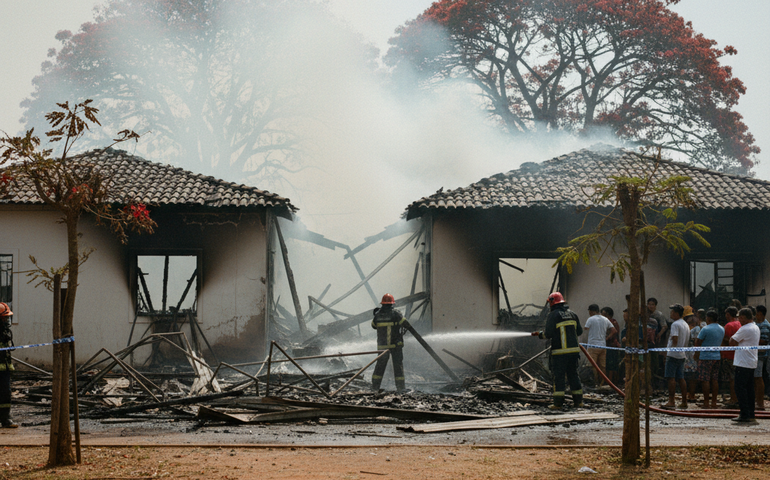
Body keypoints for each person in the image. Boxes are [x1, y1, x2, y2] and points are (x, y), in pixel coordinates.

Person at [533, 292, 583, 410]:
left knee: (559, 377)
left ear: (552, 302)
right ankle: (579, 402)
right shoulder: (573, 314)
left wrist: (539, 334)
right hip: (574, 352)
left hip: (560, 353)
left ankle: (558, 404)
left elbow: (548, 334)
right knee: (573, 375)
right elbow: (579, 332)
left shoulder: (553, 315)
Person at [371, 293, 411, 391]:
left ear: (383, 304)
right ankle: (400, 388)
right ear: (392, 304)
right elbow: (406, 324)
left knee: (379, 367)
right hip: (395, 346)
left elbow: (373, 326)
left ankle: (375, 387)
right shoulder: (396, 314)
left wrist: (376, 314)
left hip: (382, 346)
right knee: (398, 367)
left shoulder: (378, 315)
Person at [729, 307, 760, 423]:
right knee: (749, 389)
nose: (739, 320)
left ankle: (744, 414)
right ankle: (750, 413)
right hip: (751, 361)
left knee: (740, 388)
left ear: (743, 317)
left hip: (743, 362)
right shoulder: (755, 327)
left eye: (740, 318)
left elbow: (732, 342)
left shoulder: (745, 328)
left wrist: (733, 336)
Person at [662, 303, 690, 409]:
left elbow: (675, 339)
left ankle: (671, 401)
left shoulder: (675, 325)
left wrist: (669, 352)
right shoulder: (685, 324)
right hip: (682, 354)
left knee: (671, 378)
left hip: (673, 354)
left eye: (672, 311)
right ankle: (684, 401)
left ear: (677, 313)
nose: (671, 313)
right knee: (681, 378)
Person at [695, 310, 725, 409]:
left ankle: (706, 402)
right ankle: (714, 402)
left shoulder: (705, 329)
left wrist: (696, 354)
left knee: (705, 380)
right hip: (717, 356)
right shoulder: (721, 329)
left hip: (705, 357)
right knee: (714, 379)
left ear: (708, 318)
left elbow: (698, 342)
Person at [584, 304, 616, 387]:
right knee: (602, 366)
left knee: (593, 365)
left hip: (592, 345)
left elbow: (586, 328)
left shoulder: (590, 319)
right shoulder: (605, 319)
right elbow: (614, 330)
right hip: (602, 346)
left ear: (591, 311)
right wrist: (607, 337)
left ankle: (595, 383)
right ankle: (602, 383)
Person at [0, 302, 17, 428]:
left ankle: (6, 418)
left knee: (5, 393)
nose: (7, 320)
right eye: (5, 317)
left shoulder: (5, 332)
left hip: (4, 368)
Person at [720, 306, 741, 407]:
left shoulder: (728, 326)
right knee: (736, 378)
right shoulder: (740, 324)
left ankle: (734, 399)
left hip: (729, 355)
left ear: (728, 315)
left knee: (731, 379)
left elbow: (726, 340)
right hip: (738, 355)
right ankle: (736, 398)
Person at [683, 306, 701, 402]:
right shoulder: (693, 327)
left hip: (688, 352)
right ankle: (690, 394)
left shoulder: (688, 327)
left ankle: (689, 394)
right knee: (691, 375)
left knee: (689, 374)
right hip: (690, 352)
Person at [754, 305, 770, 411]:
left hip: (761, 355)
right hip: (757, 354)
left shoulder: (764, 325)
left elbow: (764, 341)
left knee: (758, 378)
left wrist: (751, 339)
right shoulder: (759, 324)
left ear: (759, 313)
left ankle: (760, 403)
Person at [602, 307, 621, 386]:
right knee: (612, 365)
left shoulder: (610, 322)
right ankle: (613, 382)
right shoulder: (614, 322)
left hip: (611, 346)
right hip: (612, 346)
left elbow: (614, 332)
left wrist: (606, 339)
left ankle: (610, 382)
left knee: (610, 365)